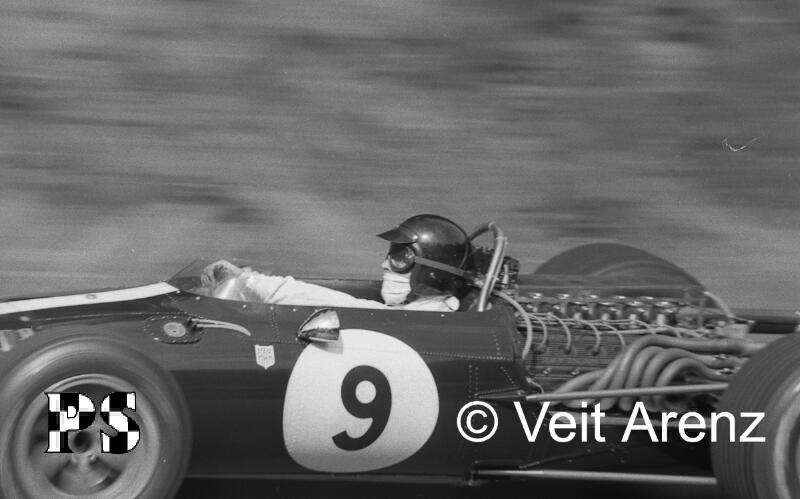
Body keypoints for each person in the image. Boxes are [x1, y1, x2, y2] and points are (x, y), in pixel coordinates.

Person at [201, 214, 473, 312]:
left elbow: (340, 305)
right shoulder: (428, 309)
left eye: (400, 258)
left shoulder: (425, 320)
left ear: (431, 272)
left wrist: (251, 282)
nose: (385, 265)